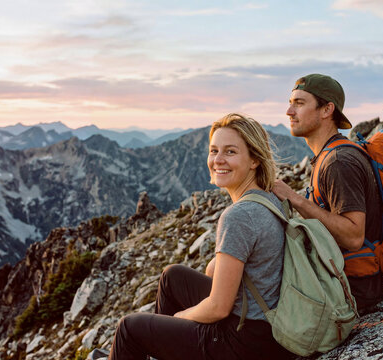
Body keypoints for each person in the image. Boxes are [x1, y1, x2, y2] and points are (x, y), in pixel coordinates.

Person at [108, 114, 294, 360]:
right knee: (172, 277)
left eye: (230, 152)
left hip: (243, 342)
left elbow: (218, 308)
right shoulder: (270, 198)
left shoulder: (239, 216)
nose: (218, 160)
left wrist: (179, 318)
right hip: (267, 328)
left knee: (129, 329)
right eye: (214, 150)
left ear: (254, 160)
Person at [273, 73, 383, 311]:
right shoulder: (328, 155)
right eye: (290, 103)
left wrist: (295, 200)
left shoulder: (338, 161)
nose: (289, 112)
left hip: (351, 289)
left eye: (299, 103)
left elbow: (354, 236)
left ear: (326, 110)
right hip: (340, 280)